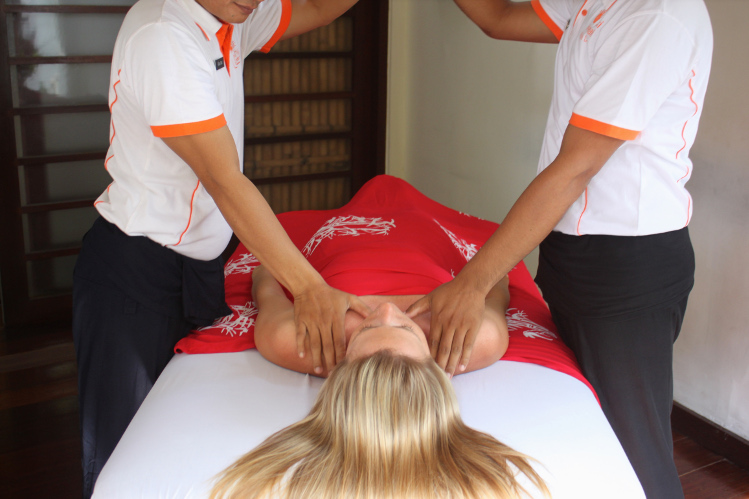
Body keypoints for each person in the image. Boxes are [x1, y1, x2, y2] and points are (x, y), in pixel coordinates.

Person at [406, 1, 713, 498]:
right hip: (572, 250)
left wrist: (473, 283)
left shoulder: (659, 17)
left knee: (633, 457)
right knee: (582, 433)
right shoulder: (592, 1)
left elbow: (576, 167)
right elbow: (498, 20)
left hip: (627, 266)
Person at [72, 0, 369, 496]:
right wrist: (310, 288)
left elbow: (317, 7)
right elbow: (225, 181)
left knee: (185, 432)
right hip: (135, 269)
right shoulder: (165, 35)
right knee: (123, 459)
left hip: (200, 266)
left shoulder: (232, 15)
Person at [209, 351, 549, 499]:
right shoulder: (478, 342)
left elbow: (263, 282)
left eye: (367, 329)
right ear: (442, 372)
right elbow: (502, 285)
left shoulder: (297, 342)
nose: (387, 310)